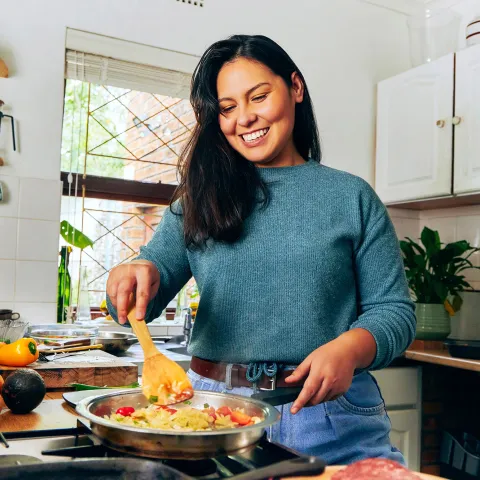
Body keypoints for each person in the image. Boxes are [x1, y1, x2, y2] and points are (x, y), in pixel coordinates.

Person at [106, 34, 416, 465]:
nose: (245, 119)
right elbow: (147, 287)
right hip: (214, 417)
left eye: (258, 97)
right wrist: (132, 274)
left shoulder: (351, 197)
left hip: (333, 417)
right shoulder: (198, 200)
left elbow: (394, 311)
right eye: (228, 108)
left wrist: (349, 347)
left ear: (295, 88)